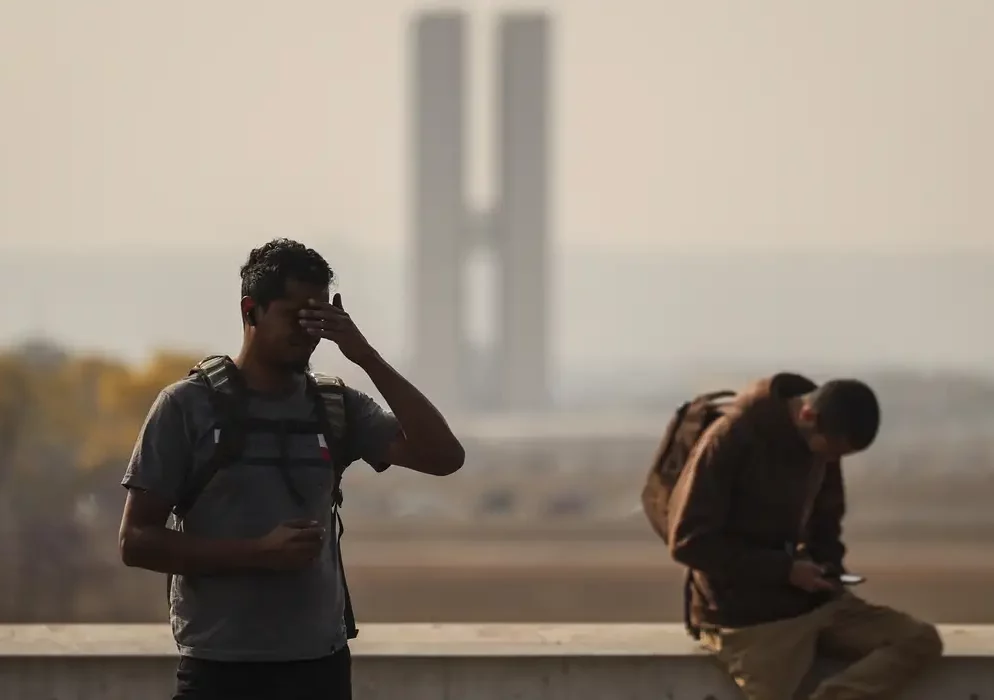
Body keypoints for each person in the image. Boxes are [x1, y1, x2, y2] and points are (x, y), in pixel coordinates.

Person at [118, 238, 465, 700]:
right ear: (251, 311)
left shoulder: (336, 406)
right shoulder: (187, 407)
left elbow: (444, 457)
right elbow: (136, 541)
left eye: (318, 316)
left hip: (318, 667)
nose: (308, 330)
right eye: (294, 314)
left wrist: (365, 356)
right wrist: (258, 553)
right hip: (220, 668)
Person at [667, 373, 943, 700]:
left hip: (809, 603)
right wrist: (784, 570)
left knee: (917, 640)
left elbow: (826, 522)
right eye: (829, 452)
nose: (830, 462)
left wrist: (829, 570)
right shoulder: (731, 438)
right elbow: (689, 542)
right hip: (743, 617)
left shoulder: (822, 446)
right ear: (807, 416)